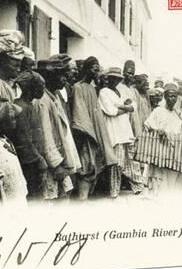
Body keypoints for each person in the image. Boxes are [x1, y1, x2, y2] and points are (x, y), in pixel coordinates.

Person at [34, 57, 82, 200]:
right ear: (51, 76)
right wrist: (57, 165)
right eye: (62, 75)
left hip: (61, 160)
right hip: (53, 165)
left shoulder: (54, 97)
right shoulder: (42, 100)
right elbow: (46, 136)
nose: (65, 79)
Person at [70, 57, 117, 200]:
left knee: (93, 166)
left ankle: (84, 199)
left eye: (98, 70)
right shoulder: (78, 87)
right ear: (86, 69)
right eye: (94, 69)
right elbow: (80, 114)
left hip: (95, 132)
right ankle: (81, 199)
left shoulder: (92, 88)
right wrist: (90, 134)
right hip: (85, 134)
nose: (97, 73)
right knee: (86, 165)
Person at [99, 67, 145, 198]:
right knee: (117, 163)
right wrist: (126, 108)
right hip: (114, 132)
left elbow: (133, 105)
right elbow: (111, 111)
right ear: (108, 78)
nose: (115, 81)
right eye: (112, 78)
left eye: (117, 79)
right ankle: (114, 189)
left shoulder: (120, 92)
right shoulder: (104, 92)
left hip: (125, 129)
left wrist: (120, 106)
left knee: (131, 159)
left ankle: (138, 185)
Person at [143, 82, 182, 193]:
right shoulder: (158, 111)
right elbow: (147, 126)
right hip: (160, 152)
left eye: (174, 96)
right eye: (169, 96)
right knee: (161, 181)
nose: (172, 99)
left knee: (177, 183)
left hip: (175, 153)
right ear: (165, 97)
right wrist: (157, 130)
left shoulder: (178, 114)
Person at [12, 71, 51, 200]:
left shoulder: (29, 106)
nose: (43, 89)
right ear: (31, 88)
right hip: (29, 165)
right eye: (41, 86)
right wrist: (39, 160)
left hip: (34, 162)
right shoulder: (21, 108)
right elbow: (24, 141)